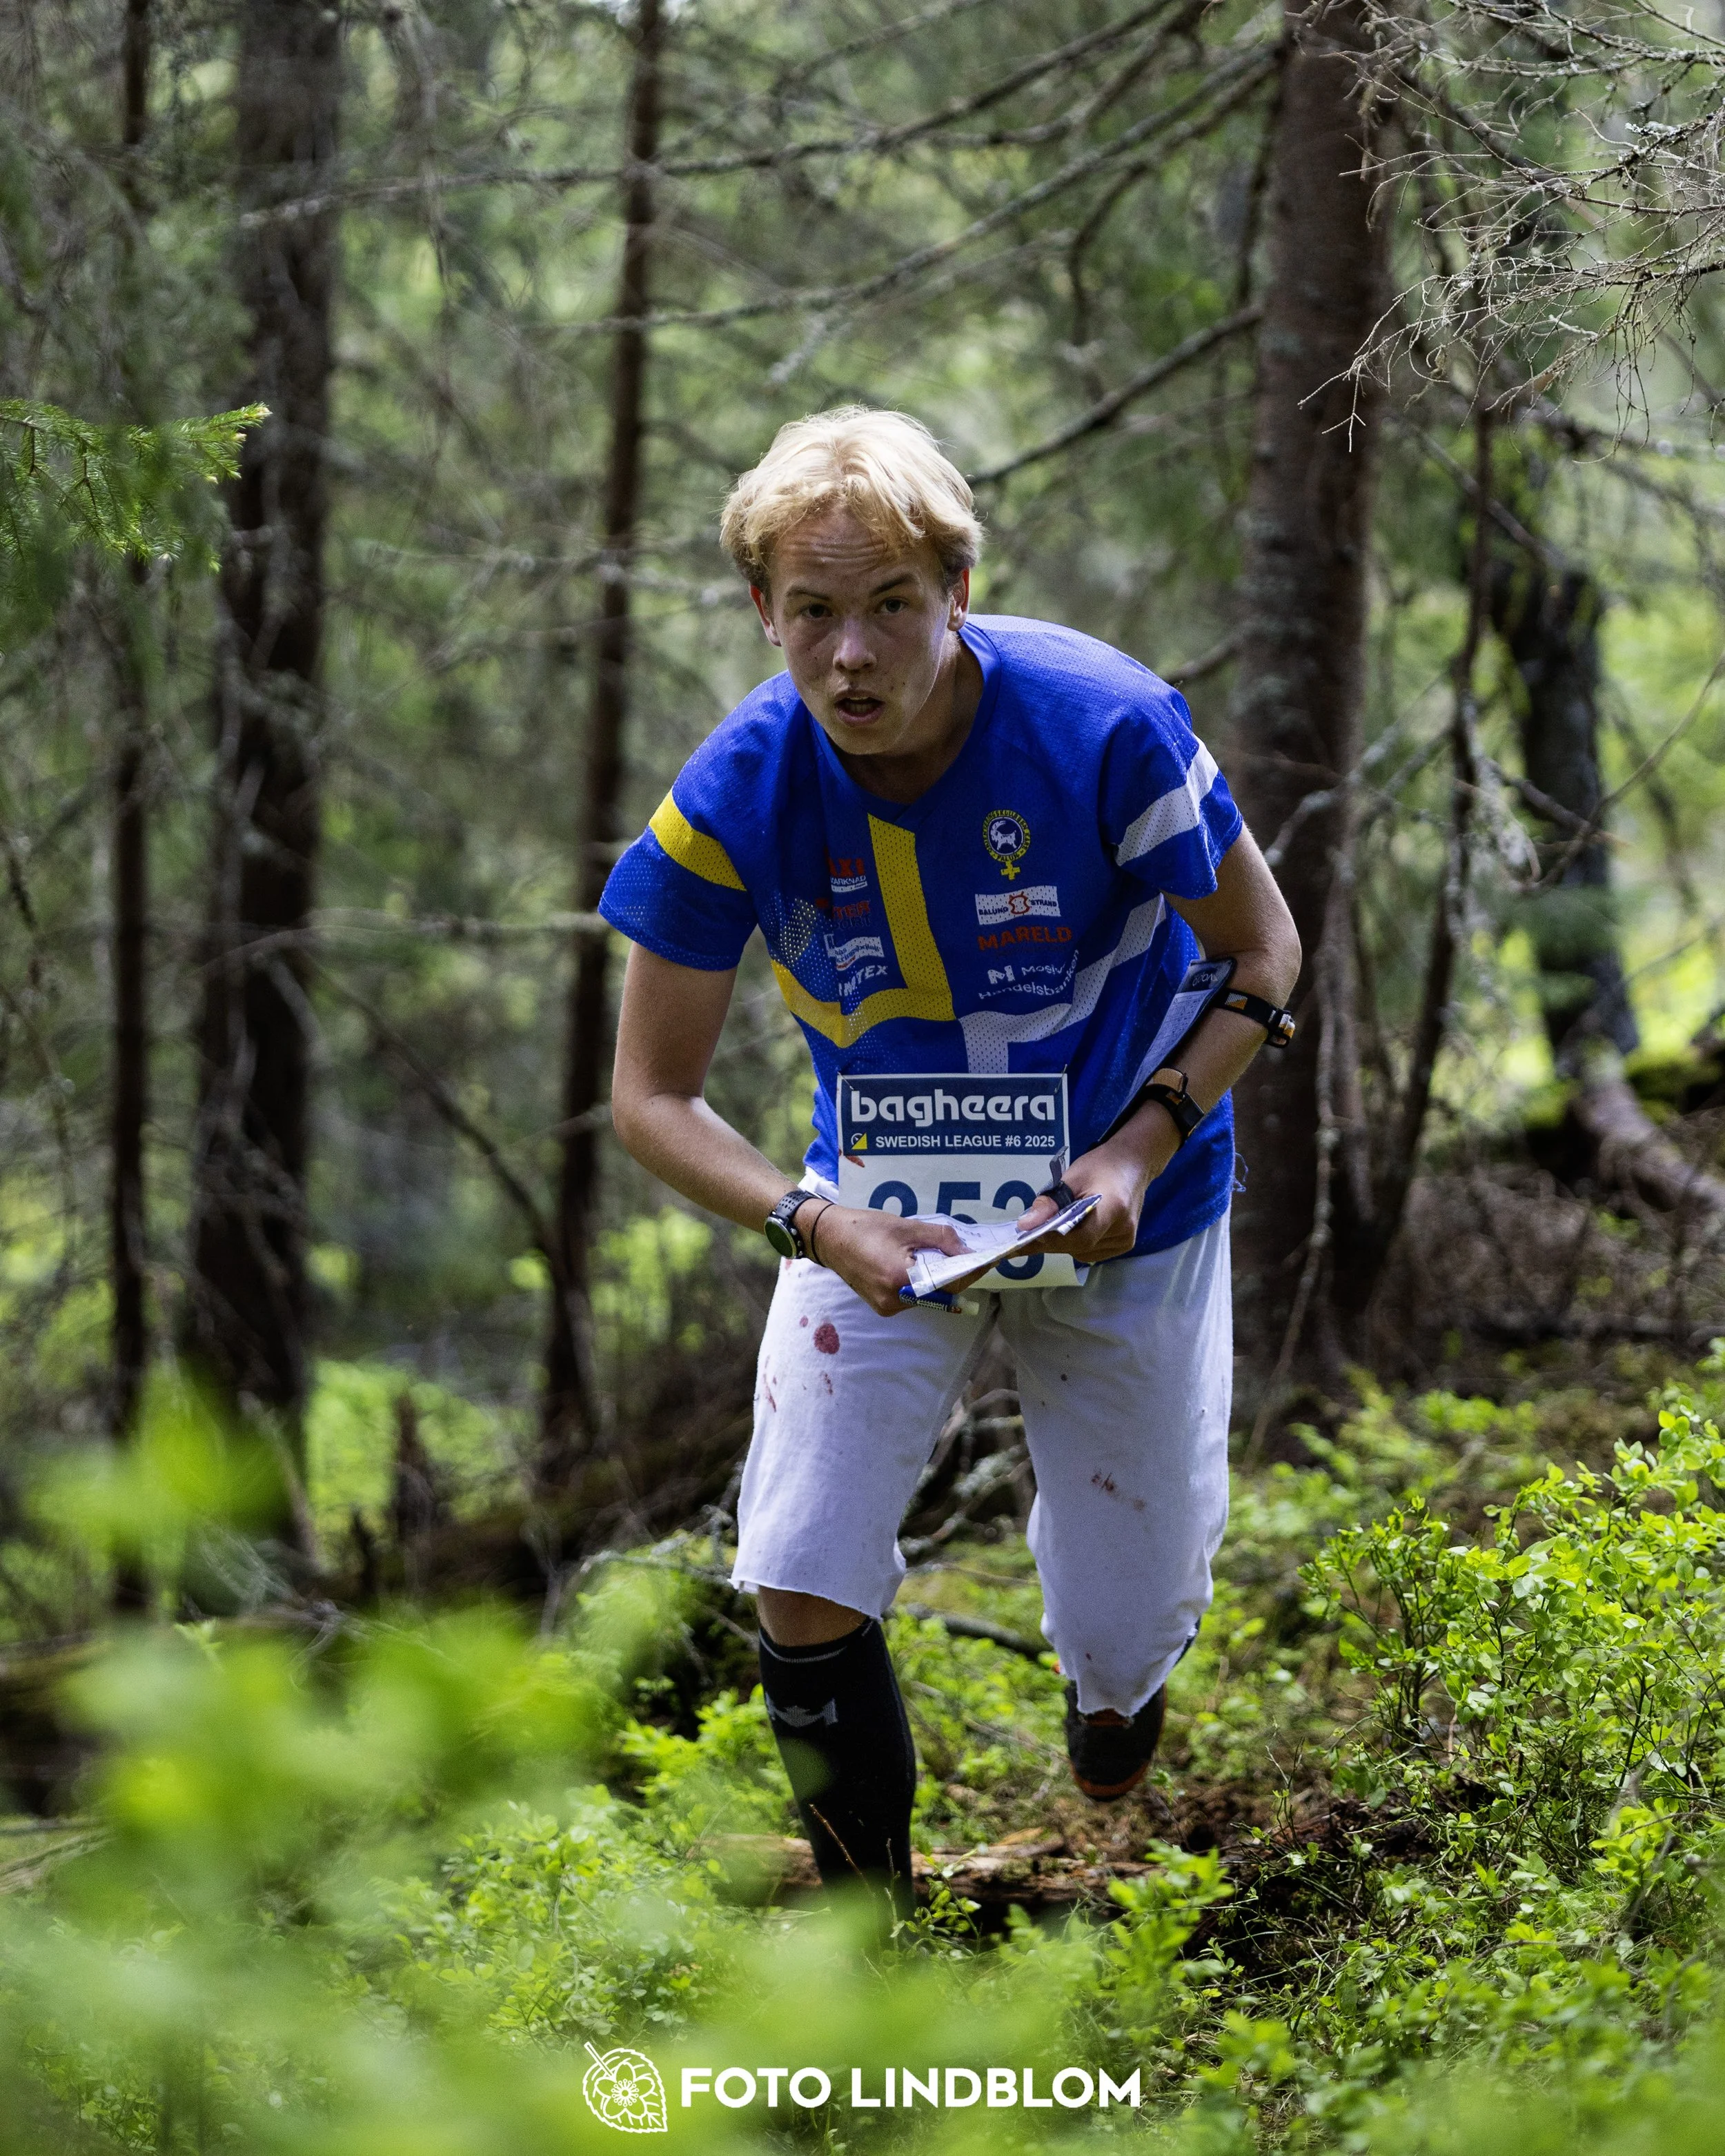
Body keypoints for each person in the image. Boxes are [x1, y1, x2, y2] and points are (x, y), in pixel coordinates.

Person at [600, 408, 1301, 1919]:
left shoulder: (1104, 725)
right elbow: (650, 1097)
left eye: (890, 606)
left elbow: (1263, 948)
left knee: (1122, 1632)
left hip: (1132, 1202)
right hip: (878, 1216)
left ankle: (1108, 1744)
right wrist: (808, 1217)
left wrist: (1133, 1147)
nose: (850, 654)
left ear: (955, 591)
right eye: (811, 611)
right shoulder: (736, 790)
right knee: (794, 1556)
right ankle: (872, 1938)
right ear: (761, 610)